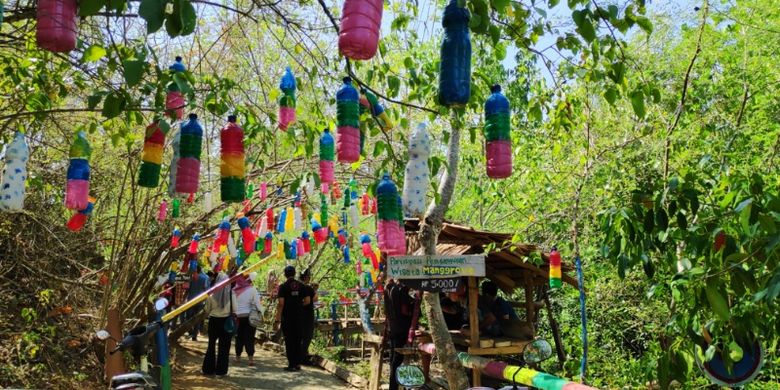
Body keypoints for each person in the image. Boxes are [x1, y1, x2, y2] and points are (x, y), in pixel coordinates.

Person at [275, 265, 310, 371]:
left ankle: (291, 364)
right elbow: (308, 301)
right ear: (294, 274)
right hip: (300, 317)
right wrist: (298, 306)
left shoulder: (283, 286)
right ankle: (298, 364)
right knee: (298, 340)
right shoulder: (302, 286)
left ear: (285, 275)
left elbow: (281, 304)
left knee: (289, 340)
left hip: (287, 318)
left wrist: (278, 319)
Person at [383, 278, 415, 390]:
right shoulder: (401, 289)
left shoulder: (388, 288)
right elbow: (404, 310)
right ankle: (395, 387)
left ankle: (393, 386)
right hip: (402, 328)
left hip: (393, 328)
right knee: (398, 360)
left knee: (393, 360)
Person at [202, 272, 234, 377]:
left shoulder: (211, 294)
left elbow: (206, 309)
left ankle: (208, 370)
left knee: (211, 345)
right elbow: (236, 309)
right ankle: (221, 371)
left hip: (214, 321)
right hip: (226, 322)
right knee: (224, 348)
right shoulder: (231, 294)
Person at [233, 272, 261, 367]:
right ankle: (250, 359)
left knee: (239, 336)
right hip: (249, 317)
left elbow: (233, 304)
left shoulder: (235, 289)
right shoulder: (252, 290)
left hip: (238, 317)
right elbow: (257, 304)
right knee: (249, 337)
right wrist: (261, 313)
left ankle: (237, 357)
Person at [186, 265, 210, 341]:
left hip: (190, 301)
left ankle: (191, 332)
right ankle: (194, 335)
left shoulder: (191, 278)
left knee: (188, 317)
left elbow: (187, 289)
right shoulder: (205, 278)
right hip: (200, 301)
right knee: (197, 318)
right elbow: (207, 290)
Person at [299, 269, 317, 365]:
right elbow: (314, 299)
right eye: (309, 277)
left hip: (297, 315)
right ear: (306, 277)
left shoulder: (295, 287)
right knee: (307, 336)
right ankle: (302, 358)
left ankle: (299, 355)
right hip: (307, 315)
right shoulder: (307, 288)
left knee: (299, 336)